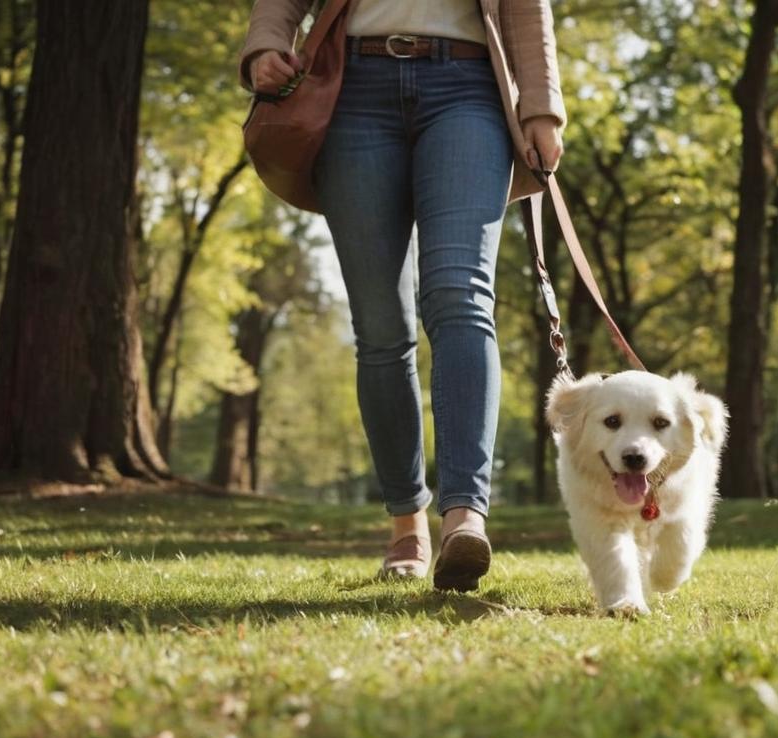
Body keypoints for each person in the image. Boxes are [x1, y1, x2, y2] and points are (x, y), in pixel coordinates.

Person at [239, 0, 565, 591]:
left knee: (460, 296)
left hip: (470, 88)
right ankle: (407, 525)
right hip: (350, 88)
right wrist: (265, 46)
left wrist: (541, 108)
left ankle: (465, 515)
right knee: (382, 327)